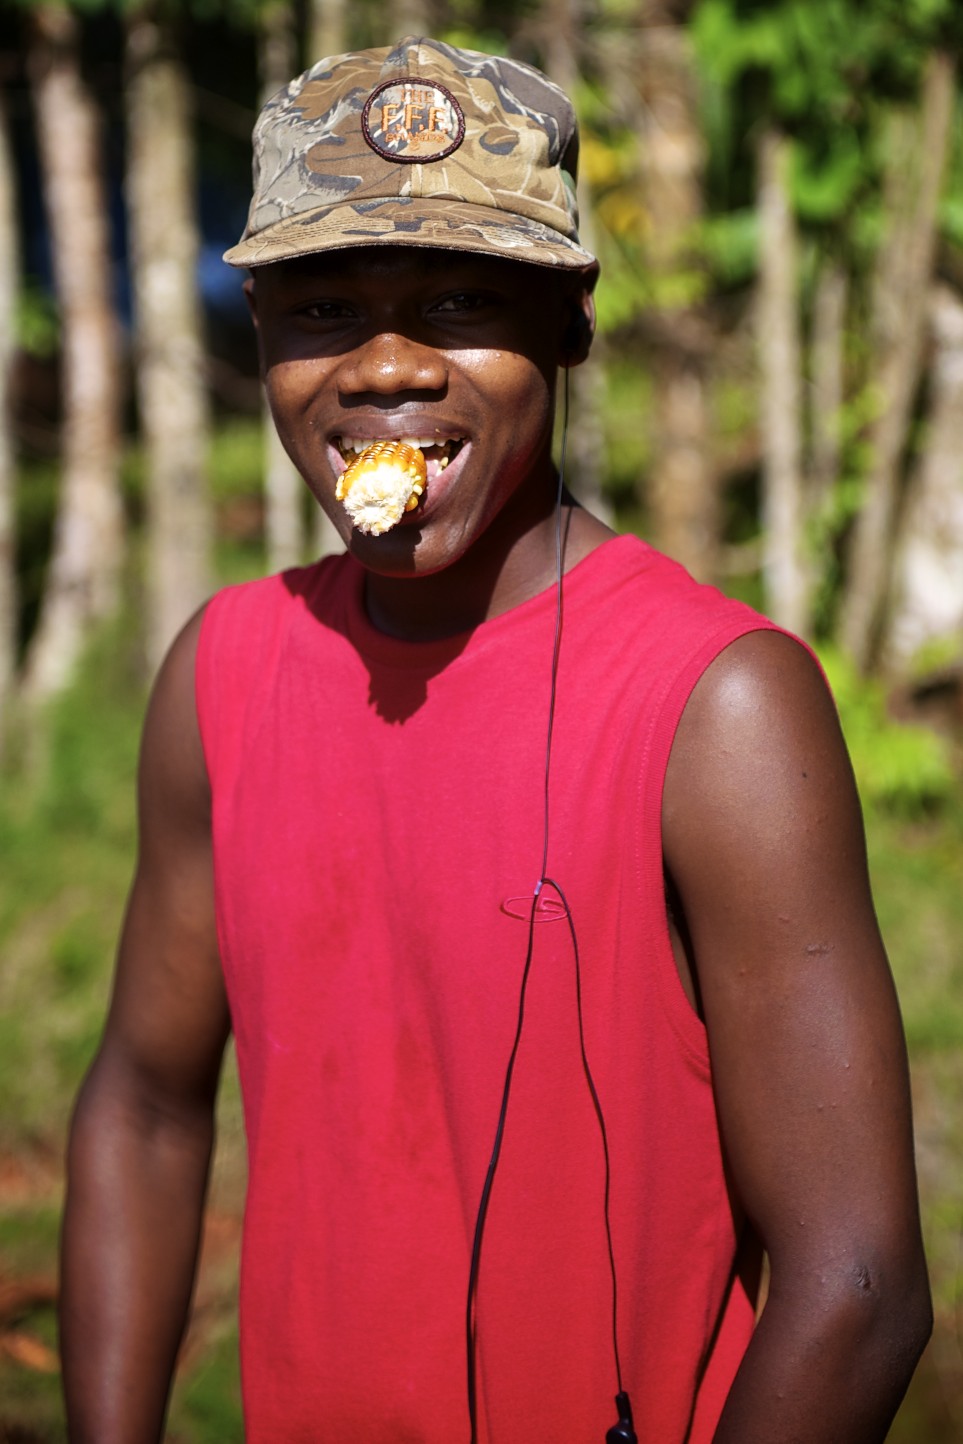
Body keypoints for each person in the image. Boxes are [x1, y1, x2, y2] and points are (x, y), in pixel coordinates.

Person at [60, 35, 931, 1444]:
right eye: (323, 308)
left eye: (462, 301)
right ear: (260, 333)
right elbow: (146, 1106)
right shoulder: (222, 674)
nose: (386, 366)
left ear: (571, 325)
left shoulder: (717, 706)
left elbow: (857, 1283)